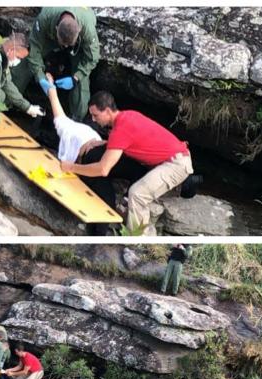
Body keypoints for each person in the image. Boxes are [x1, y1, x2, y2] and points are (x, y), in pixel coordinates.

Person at [61, 91, 193, 235]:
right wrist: (105, 143)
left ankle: (139, 241)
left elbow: (103, 169)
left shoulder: (120, 129)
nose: (93, 119)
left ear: (107, 110)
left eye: (95, 115)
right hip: (169, 159)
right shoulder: (128, 116)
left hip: (175, 164)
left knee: (137, 194)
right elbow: (134, 139)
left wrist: (71, 167)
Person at [12, 7, 99, 121]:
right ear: (57, 27)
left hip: (78, 47)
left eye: (68, 45)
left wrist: (76, 78)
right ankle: (10, 101)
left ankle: (77, 120)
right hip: (51, 39)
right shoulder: (45, 17)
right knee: (24, 61)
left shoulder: (87, 28)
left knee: (82, 83)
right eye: (64, 44)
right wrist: (40, 76)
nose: (66, 47)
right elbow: (34, 50)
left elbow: (92, 58)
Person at [44, 72, 101, 162]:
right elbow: (60, 118)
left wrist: (51, 89)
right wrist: (51, 88)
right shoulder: (75, 133)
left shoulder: (74, 135)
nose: (94, 119)